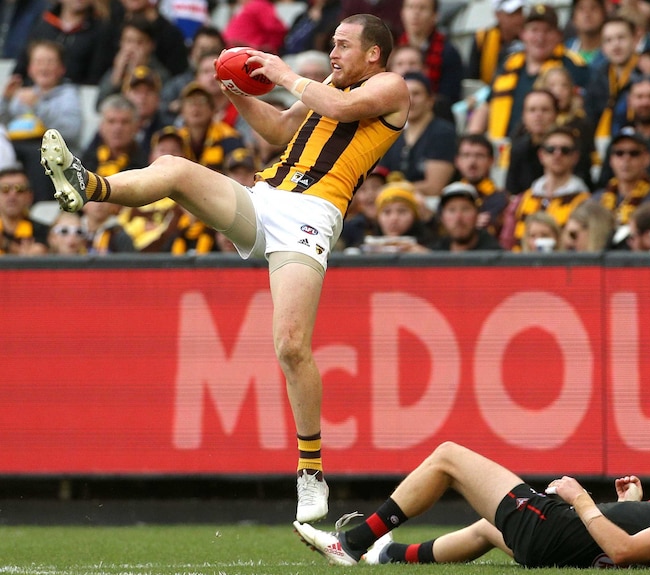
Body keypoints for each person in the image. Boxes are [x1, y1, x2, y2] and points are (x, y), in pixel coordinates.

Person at [40, 13, 410, 524]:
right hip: (265, 198)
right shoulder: (327, 83)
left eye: (343, 45)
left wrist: (281, 73)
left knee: (290, 343)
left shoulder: (390, 86)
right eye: (332, 44)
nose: (333, 54)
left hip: (312, 216)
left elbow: (342, 107)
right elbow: (279, 129)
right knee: (173, 170)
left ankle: (310, 471)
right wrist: (235, 92)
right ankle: (89, 186)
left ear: (373, 53)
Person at [294, 441, 650, 568]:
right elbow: (642, 550)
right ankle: (385, 555)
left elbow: (621, 552)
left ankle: (352, 542)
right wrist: (634, 504)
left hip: (552, 528)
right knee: (489, 529)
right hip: (553, 546)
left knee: (448, 457)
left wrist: (582, 500)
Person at [468, 4, 590, 141]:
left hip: (550, 149)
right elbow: (486, 105)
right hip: (501, 146)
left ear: (558, 35)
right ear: (523, 34)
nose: (540, 38)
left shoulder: (573, 66)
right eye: (534, 30)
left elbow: (582, 109)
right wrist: (474, 138)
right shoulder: (509, 63)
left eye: (547, 31)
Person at [1, 39, 82, 202]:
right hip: (17, 149)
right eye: (38, 62)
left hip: (53, 155)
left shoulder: (68, 95)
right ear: (30, 69)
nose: (44, 67)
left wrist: (38, 106)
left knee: (37, 154)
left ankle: (41, 205)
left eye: (50, 62)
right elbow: (4, 126)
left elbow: (71, 130)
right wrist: (6, 100)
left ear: (61, 69)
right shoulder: (22, 95)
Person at [502, 127, 591, 250]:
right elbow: (507, 242)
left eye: (565, 150)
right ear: (541, 155)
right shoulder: (521, 200)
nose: (557, 154)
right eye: (551, 149)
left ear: (575, 157)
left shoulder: (586, 203)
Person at [379, 72, 456, 203]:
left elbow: (434, 187)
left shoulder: (442, 132)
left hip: (429, 204)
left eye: (416, 94)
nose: (411, 100)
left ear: (430, 100)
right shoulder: (393, 133)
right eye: (406, 95)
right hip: (393, 202)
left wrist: (395, 189)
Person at [14, 0, 112, 85]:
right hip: (34, 94)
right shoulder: (42, 24)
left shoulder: (100, 31)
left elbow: (95, 76)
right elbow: (21, 67)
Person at [584, 15, 639, 165]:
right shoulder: (596, 79)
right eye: (608, 40)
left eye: (621, 38)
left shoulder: (644, 75)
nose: (615, 45)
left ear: (635, 39)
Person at [596, 127, 650, 228]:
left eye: (634, 153)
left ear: (647, 159)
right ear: (611, 160)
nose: (626, 159)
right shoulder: (596, 201)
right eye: (619, 153)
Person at [396, 0, 463, 107]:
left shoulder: (448, 53)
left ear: (435, 16)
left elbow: (448, 98)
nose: (415, 13)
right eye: (410, 7)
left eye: (422, 8)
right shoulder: (394, 46)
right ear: (402, 13)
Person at [175, 81, 247, 172]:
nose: (196, 108)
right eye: (190, 102)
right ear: (182, 111)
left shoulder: (229, 136)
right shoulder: (175, 139)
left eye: (201, 101)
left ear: (213, 110)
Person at [505, 89, 559, 196]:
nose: (538, 115)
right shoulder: (517, 149)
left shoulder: (566, 147)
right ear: (523, 116)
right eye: (532, 110)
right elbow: (511, 191)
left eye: (545, 110)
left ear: (555, 115)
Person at [453, 134, 509, 237]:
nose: (472, 162)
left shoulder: (502, 199)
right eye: (466, 155)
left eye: (479, 156)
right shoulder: (449, 197)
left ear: (491, 161)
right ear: (457, 161)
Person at [361, 181, 435, 253]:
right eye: (387, 212)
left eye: (402, 211)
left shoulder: (432, 245)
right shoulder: (364, 246)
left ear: (414, 216)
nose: (394, 218)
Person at [430, 182, 502, 252]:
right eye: (452, 210)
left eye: (465, 209)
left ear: (477, 214)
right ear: (442, 217)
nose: (458, 218)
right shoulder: (435, 253)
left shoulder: (495, 255)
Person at [467, 0, 526, 85]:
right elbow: (472, 78)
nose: (518, 19)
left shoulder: (531, 39)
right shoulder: (482, 38)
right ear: (497, 15)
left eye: (520, 13)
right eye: (512, 14)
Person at [0, 165, 49, 255]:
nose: (12, 195)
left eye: (20, 189)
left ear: (30, 196)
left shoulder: (42, 230)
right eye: (5, 189)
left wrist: (5, 244)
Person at [223, 0, 287, 54]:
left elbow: (276, 29)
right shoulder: (246, 7)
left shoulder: (259, 5)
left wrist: (270, 47)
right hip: (234, 54)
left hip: (249, 55)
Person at [563, 0, 607, 67]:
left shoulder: (613, 49)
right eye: (581, 9)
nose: (587, 14)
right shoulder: (564, 51)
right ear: (573, 18)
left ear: (603, 15)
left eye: (593, 8)